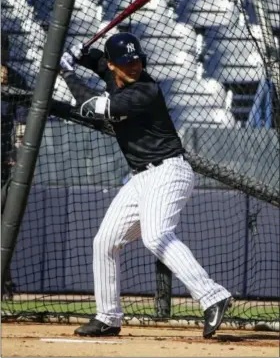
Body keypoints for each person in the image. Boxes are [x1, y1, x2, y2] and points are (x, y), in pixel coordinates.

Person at [59, 32, 232, 339]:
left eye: (137, 60)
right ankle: (108, 317)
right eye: (126, 62)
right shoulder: (116, 75)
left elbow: (92, 104)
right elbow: (100, 61)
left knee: (156, 236)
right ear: (115, 65)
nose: (134, 66)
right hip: (141, 177)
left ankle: (212, 296)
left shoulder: (145, 90)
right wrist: (82, 54)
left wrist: (67, 70)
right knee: (105, 242)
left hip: (169, 172)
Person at [1, 30, 29, 300]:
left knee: (4, 224)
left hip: (3, 165)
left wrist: (19, 157)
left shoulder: (16, 78)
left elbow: (22, 124)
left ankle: (4, 285)